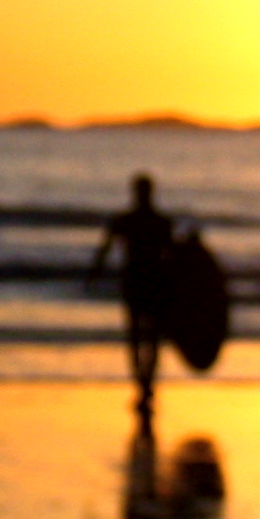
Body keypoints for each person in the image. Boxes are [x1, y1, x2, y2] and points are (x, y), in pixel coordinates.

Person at [89, 173, 179, 413]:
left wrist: (94, 273)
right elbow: (172, 257)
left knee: (137, 338)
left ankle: (142, 384)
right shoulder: (161, 222)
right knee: (149, 339)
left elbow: (104, 250)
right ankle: (146, 384)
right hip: (152, 283)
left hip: (136, 282)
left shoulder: (125, 220)